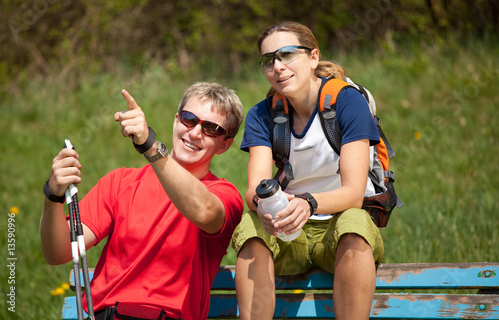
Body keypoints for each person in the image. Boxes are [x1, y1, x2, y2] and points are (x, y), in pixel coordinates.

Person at [40, 82, 245, 320]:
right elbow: (58, 253)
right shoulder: (119, 182)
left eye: (211, 129)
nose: (195, 133)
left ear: (224, 145)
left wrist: (150, 147)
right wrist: (53, 196)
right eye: (189, 119)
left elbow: (202, 211)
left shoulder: (224, 195)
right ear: (176, 120)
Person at [231, 21, 384, 320]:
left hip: (340, 230)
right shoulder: (262, 114)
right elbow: (254, 189)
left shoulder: (347, 102)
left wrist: (308, 203)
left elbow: (354, 194)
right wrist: (263, 207)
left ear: (314, 57)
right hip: (287, 230)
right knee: (250, 225)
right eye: (268, 60)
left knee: (355, 220)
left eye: (287, 54)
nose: (277, 66)